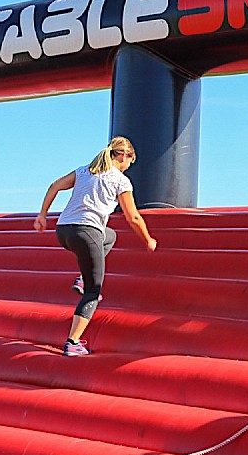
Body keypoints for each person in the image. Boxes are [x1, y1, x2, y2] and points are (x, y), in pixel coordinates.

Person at [34, 136, 157, 356]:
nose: (129, 166)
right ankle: (73, 342)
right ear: (123, 156)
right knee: (93, 291)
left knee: (109, 235)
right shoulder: (120, 180)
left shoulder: (84, 171)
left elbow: (55, 186)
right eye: (130, 161)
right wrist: (147, 239)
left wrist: (42, 215)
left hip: (64, 231)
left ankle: (83, 278)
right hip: (86, 232)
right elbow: (133, 217)